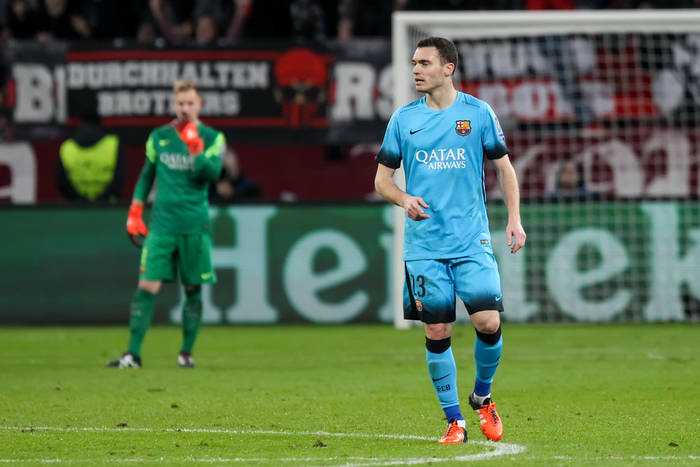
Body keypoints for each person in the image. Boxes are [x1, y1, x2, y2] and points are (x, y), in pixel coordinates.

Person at [374, 37, 526, 444]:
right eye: (413, 63)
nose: (415, 70)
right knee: (438, 330)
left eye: (424, 63)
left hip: (471, 240)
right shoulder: (403, 120)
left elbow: (505, 169)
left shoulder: (478, 113)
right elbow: (382, 180)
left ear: (448, 68)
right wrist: (404, 199)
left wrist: (514, 219)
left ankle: (483, 397)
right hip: (425, 246)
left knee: (488, 321)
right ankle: (454, 420)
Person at [107, 79, 225, 369]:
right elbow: (147, 174)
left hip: (194, 225)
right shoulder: (159, 136)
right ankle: (133, 354)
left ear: (200, 105)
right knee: (147, 285)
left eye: (190, 103)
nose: (185, 108)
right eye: (180, 103)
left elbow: (211, 175)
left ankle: (186, 353)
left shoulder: (213, 138)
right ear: (174, 104)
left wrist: (196, 149)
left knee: (193, 288)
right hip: (161, 225)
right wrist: (135, 210)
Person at [56, 110, 125, 203]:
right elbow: (118, 179)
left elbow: (62, 182)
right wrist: (101, 200)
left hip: (76, 208)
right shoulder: (113, 144)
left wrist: (80, 200)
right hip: (108, 207)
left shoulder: (67, 147)